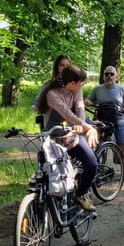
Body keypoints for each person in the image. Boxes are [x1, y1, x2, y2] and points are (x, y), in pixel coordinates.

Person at [35, 65, 99, 211]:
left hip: (72, 136)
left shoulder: (77, 90)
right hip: (53, 138)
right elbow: (66, 113)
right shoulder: (52, 94)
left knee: (92, 164)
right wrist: (87, 127)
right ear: (71, 83)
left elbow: (80, 109)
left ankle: (81, 194)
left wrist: (81, 126)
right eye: (80, 82)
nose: (82, 85)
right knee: (47, 173)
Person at [86, 65, 124, 177]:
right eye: (106, 74)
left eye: (111, 74)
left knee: (123, 146)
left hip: (119, 121)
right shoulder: (97, 89)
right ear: (103, 76)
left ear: (116, 76)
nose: (109, 76)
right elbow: (88, 99)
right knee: (98, 145)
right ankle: (98, 169)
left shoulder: (122, 89)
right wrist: (87, 101)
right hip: (102, 121)